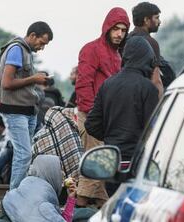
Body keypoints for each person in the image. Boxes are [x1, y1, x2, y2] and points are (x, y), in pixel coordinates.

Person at [75, 7, 130, 208]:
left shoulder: (118, 55)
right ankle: (75, 209)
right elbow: (83, 84)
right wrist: (94, 117)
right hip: (93, 117)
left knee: (103, 168)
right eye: (115, 29)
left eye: (123, 30)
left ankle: (102, 207)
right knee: (96, 164)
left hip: (109, 119)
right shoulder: (91, 49)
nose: (119, 34)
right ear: (107, 28)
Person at [85, 36, 159, 169]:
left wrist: (111, 138)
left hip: (111, 164)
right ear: (147, 60)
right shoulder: (148, 88)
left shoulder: (107, 84)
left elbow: (91, 124)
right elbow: (153, 129)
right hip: (137, 163)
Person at [0, 21, 53, 189]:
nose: (42, 47)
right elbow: (6, 83)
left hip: (27, 111)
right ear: (32, 36)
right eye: (41, 43)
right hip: (15, 112)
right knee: (24, 155)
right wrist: (34, 79)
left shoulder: (26, 51)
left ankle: (18, 194)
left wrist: (35, 78)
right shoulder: (16, 49)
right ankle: (14, 197)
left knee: (23, 155)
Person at [2, 155, 76, 222]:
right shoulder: (44, 206)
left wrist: (71, 198)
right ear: (52, 173)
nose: (62, 174)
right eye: (59, 170)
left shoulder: (26, 186)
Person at [128, 2, 174, 91]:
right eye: (156, 18)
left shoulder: (126, 40)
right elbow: (156, 80)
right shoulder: (150, 43)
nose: (159, 22)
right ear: (146, 20)